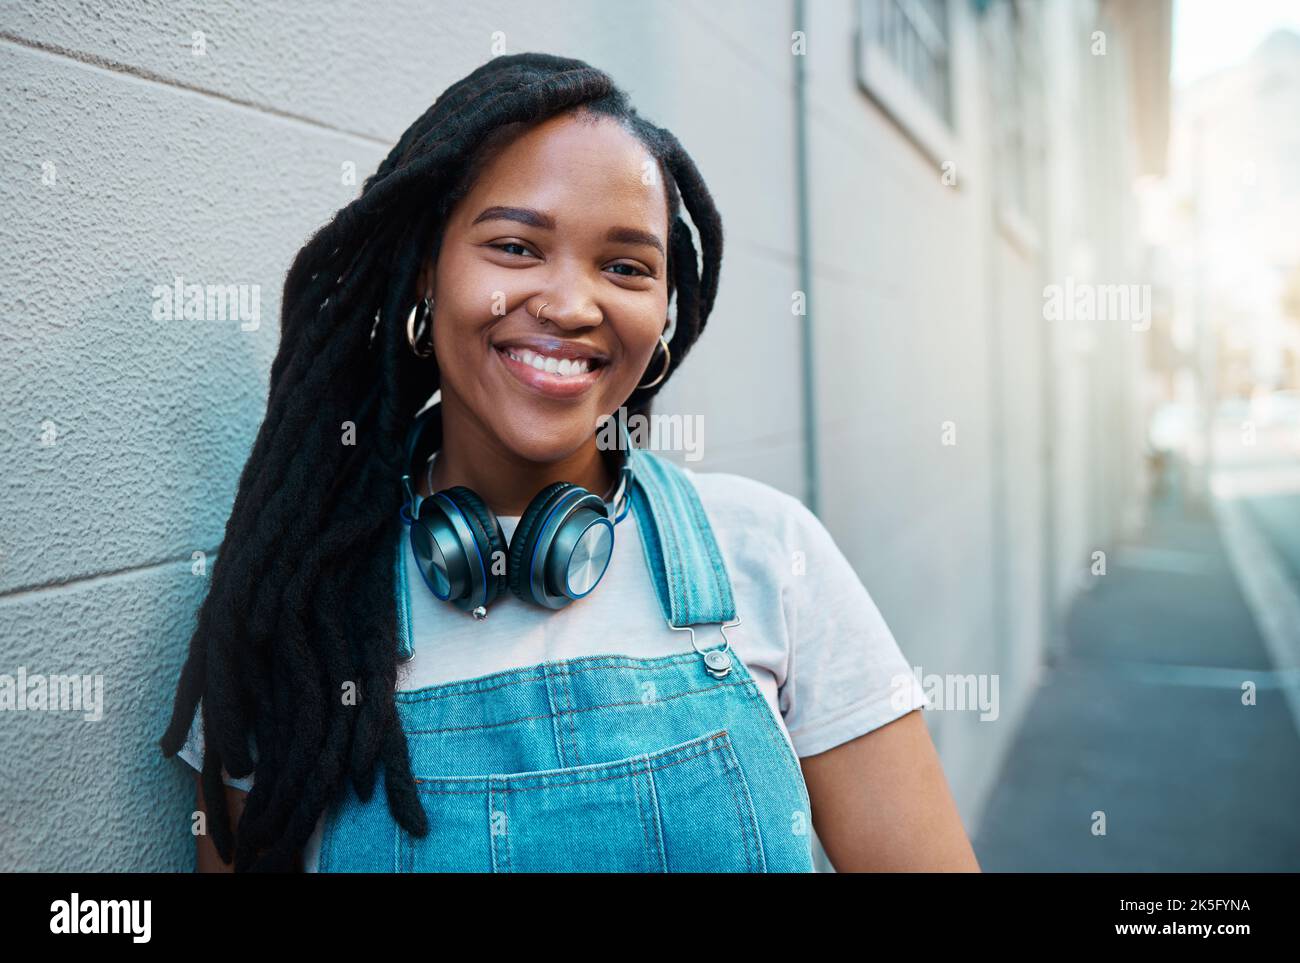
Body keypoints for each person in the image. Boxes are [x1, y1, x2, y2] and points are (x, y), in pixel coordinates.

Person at [159, 52, 979, 873]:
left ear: (663, 311)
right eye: (516, 246)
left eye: (625, 266)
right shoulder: (299, 608)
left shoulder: (769, 555)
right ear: (426, 275)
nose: (572, 305)